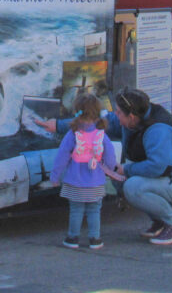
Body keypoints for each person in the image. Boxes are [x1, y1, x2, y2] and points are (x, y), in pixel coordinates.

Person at [35, 89, 172, 246]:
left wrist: (125, 170)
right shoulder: (134, 119)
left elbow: (158, 167)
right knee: (122, 182)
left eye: (119, 113)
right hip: (170, 179)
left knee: (132, 186)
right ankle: (160, 221)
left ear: (132, 117)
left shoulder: (159, 130)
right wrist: (57, 126)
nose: (115, 117)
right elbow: (92, 122)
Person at [50, 93, 118, 250]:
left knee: (76, 210)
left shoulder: (72, 134)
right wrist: (110, 168)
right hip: (96, 181)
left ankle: (73, 238)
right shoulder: (101, 135)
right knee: (94, 210)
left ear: (77, 112)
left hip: (75, 181)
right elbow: (110, 156)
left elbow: (62, 156)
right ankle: (95, 238)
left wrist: (55, 176)